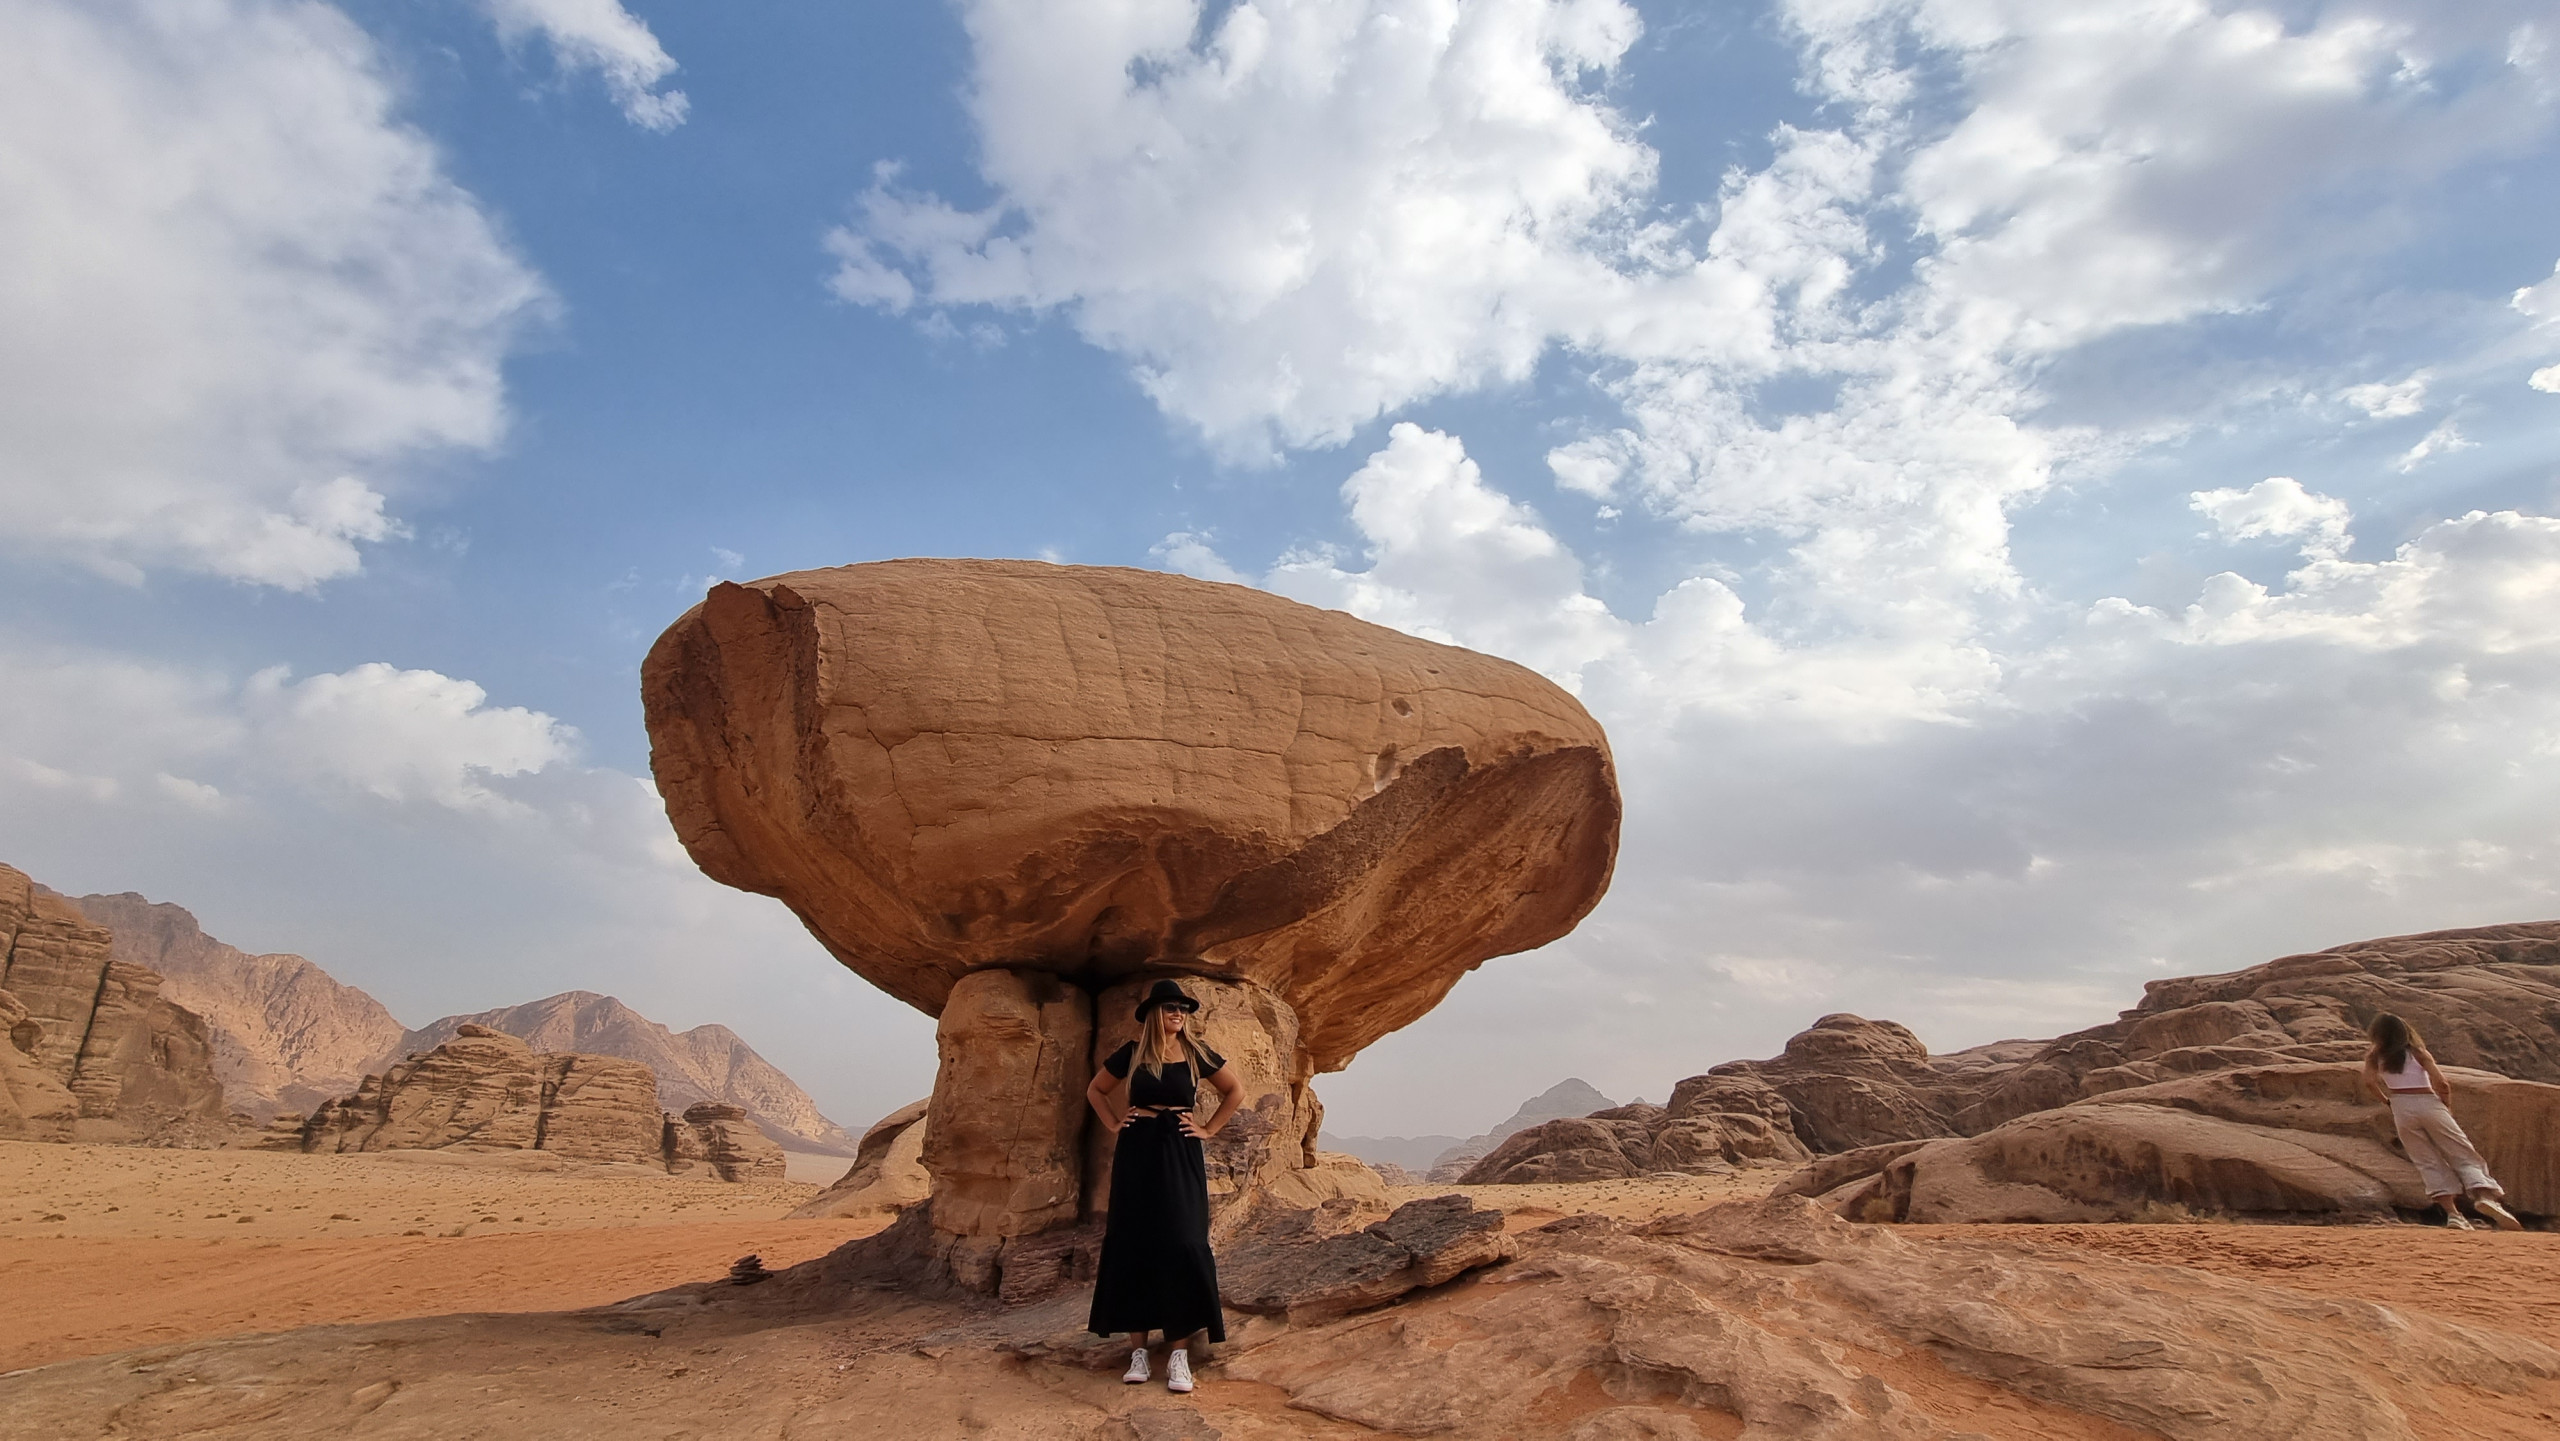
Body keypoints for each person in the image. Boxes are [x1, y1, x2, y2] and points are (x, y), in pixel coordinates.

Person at [1085, 978, 1245, 1394]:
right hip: (1137, 1150)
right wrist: (1115, 1123)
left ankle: (1178, 1354)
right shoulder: (1134, 1054)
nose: (1179, 1013)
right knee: (1132, 1242)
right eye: (1171, 1006)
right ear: (1155, 1012)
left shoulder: (1196, 1053)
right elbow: (1096, 1090)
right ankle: (1138, 1352)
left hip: (1180, 1148)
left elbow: (1234, 1090)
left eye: (1184, 1008)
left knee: (1185, 1242)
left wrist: (1208, 1128)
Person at [2360, 1012, 2523, 1231]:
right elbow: (2442, 1083)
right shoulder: (2417, 1052)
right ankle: (2484, 1195)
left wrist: (2388, 1102)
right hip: (2428, 1102)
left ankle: (2453, 1215)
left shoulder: (2375, 1057)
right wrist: (2445, 1105)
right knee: (2461, 1151)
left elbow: (2369, 1082)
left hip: (2401, 1106)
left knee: (2426, 1160)